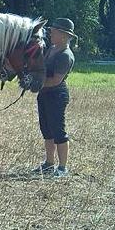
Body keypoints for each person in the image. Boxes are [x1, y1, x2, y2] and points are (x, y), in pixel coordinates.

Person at [32, 18, 77, 177]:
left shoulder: (65, 55)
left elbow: (55, 80)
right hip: (45, 94)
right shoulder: (51, 49)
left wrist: (36, 83)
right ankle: (49, 164)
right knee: (47, 130)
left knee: (58, 131)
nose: (51, 33)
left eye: (54, 31)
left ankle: (63, 168)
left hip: (57, 95)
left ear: (64, 36)